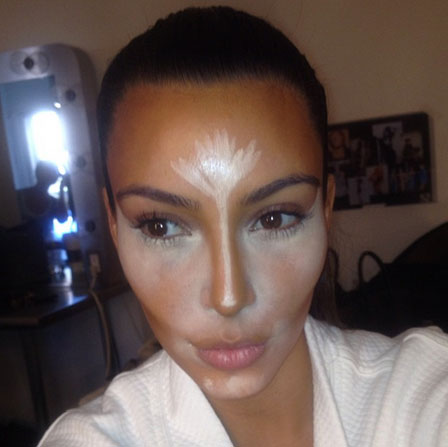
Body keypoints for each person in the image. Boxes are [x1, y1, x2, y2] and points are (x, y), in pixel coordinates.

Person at [38, 6, 448, 446]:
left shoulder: (421, 398)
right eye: (161, 227)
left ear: (326, 210)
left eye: (275, 218)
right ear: (114, 227)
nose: (229, 297)